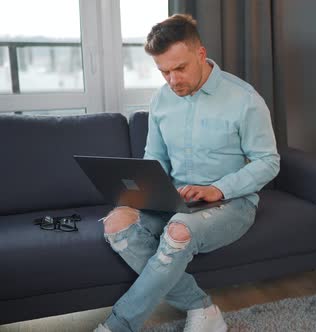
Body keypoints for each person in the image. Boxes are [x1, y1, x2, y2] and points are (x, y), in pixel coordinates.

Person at [94, 14, 280, 332]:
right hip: (174, 198)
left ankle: (118, 325)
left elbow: (268, 161)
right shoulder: (162, 100)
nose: (173, 80)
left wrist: (218, 189)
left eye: (180, 68)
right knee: (116, 224)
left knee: (178, 231)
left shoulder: (245, 99)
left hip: (232, 203)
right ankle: (201, 309)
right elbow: (154, 158)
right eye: (164, 71)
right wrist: (138, 196)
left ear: (201, 54)